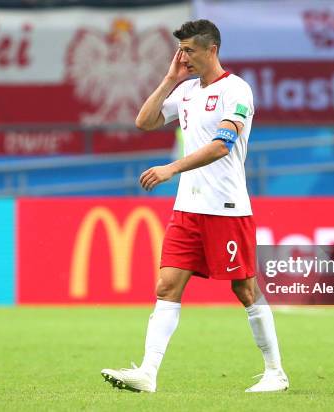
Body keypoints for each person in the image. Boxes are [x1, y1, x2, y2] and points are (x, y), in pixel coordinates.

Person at [101, 19, 288, 393]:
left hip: (227, 207)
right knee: (167, 286)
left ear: (211, 49)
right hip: (187, 208)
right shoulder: (185, 90)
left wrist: (171, 167)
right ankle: (148, 373)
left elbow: (222, 145)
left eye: (189, 50)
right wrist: (170, 79)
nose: (182, 56)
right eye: (181, 50)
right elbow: (144, 121)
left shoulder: (237, 90)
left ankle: (275, 373)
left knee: (245, 290)